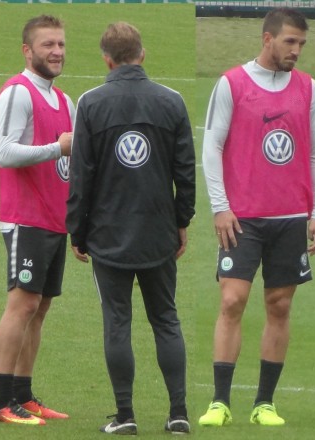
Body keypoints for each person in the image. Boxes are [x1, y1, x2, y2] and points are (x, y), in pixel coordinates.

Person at [198, 8, 315, 428]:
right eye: (290, 41)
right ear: (267, 38)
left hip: (290, 216)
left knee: (279, 304)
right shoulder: (232, 84)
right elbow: (212, 146)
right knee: (232, 300)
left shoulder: (308, 88)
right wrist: (220, 206)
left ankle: (264, 404)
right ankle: (220, 402)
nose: (296, 51)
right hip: (243, 218)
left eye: (302, 44)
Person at [66, 21, 195, 435]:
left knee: (117, 322)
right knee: (166, 319)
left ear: (106, 58)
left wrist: (77, 231)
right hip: (158, 232)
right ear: (143, 54)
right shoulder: (172, 101)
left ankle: (126, 416)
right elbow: (185, 172)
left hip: (108, 235)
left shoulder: (91, 103)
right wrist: (181, 221)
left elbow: (80, 175)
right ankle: (178, 413)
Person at [0, 14, 74, 426]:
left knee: (38, 309)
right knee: (21, 305)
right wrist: (56, 148)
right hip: (26, 218)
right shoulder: (17, 93)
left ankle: (23, 395)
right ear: (27, 50)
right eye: (47, 45)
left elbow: (69, 166)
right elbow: (4, 153)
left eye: (60, 44)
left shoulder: (65, 100)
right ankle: (1, 401)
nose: (56, 51)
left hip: (54, 220)